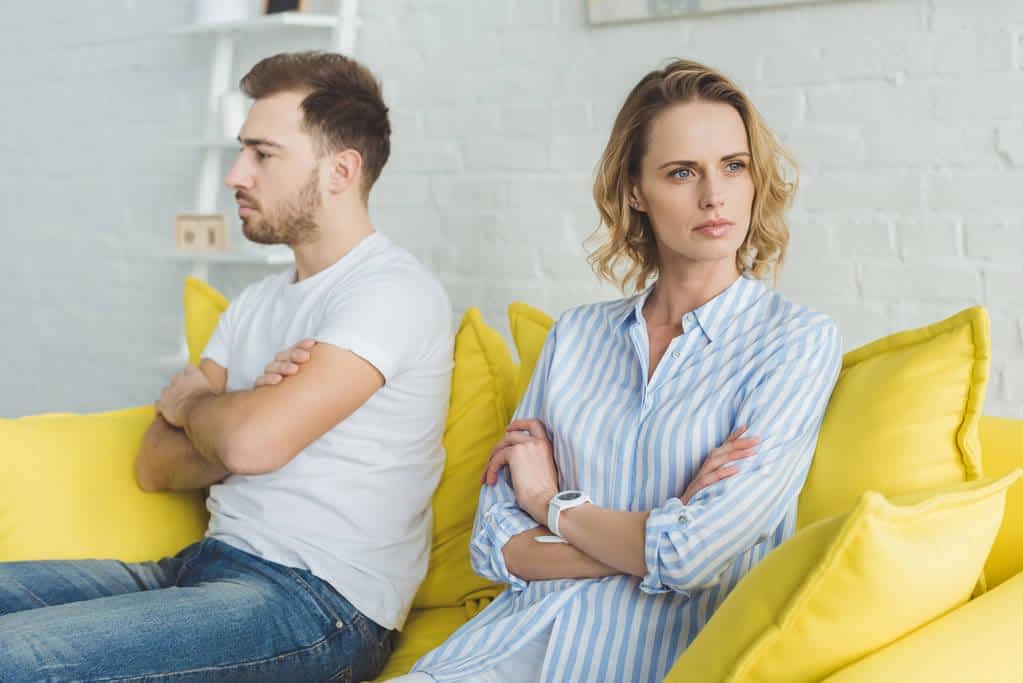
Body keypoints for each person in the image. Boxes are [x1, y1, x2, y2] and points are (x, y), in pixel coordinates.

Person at [0, 51, 452, 682]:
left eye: (263, 154)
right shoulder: (255, 304)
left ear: (340, 171)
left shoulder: (390, 293)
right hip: (200, 567)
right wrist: (245, 422)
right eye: (243, 151)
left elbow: (249, 441)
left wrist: (197, 410)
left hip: (317, 607)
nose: (237, 174)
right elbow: (156, 463)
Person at [394, 59, 844, 682]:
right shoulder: (576, 335)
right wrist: (658, 525)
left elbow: (693, 557)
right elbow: (495, 545)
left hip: (642, 662)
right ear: (635, 189)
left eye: (734, 166)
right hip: (497, 652)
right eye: (682, 172)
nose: (714, 195)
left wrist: (547, 502)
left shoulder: (795, 343)